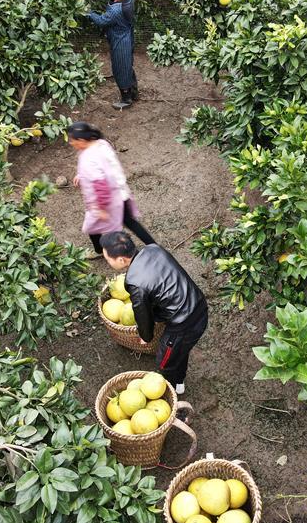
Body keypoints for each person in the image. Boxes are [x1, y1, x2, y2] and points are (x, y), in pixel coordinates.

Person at [100, 231, 208, 394]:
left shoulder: (135, 282)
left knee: (165, 362)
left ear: (121, 259)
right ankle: (179, 381)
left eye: (108, 259)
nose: (107, 262)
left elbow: (142, 314)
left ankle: (172, 390)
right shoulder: (153, 249)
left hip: (184, 324)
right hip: (197, 302)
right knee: (180, 350)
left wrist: (145, 336)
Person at [68, 121, 155, 257]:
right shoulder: (101, 143)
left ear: (81, 140)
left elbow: (101, 186)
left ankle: (110, 252)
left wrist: (101, 208)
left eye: (72, 140)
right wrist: (82, 175)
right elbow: (104, 166)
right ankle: (154, 246)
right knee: (130, 222)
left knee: (95, 228)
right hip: (121, 193)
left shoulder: (88, 158)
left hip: (108, 202)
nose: (70, 143)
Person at [87, 0, 138, 109]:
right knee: (127, 65)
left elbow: (101, 21)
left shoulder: (116, 11)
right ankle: (133, 92)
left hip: (121, 41)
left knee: (120, 68)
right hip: (127, 35)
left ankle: (126, 99)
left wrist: (88, 12)